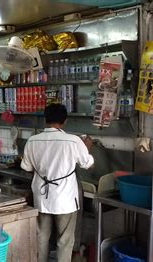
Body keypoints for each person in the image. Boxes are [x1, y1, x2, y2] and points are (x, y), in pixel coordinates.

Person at [20, 104, 94, 262]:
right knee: (65, 241)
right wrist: (87, 149)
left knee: (41, 236)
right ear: (65, 121)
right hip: (65, 199)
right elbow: (88, 164)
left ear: (45, 119)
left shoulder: (32, 141)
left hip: (41, 197)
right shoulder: (73, 141)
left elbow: (26, 167)